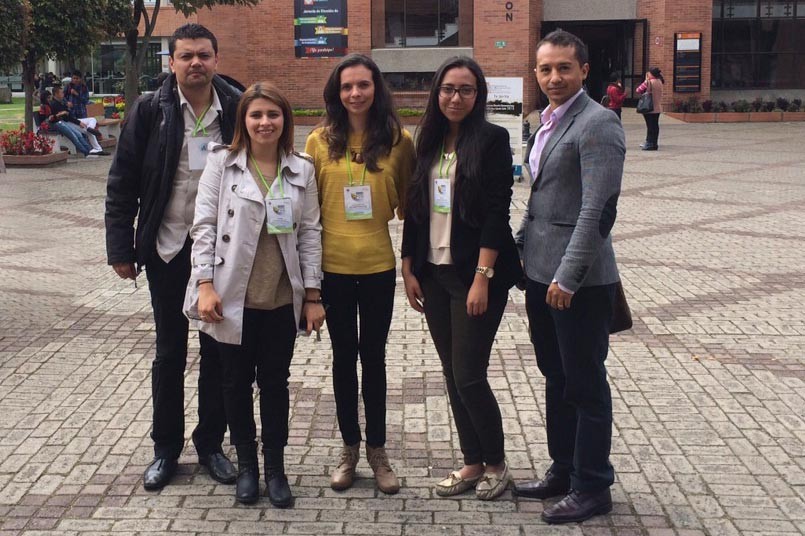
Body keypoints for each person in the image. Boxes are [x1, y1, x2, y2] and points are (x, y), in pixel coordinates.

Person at [105, 23, 241, 492]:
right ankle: (165, 448)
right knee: (169, 353)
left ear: (216, 59)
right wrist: (120, 248)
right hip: (167, 247)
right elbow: (122, 181)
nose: (195, 63)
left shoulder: (236, 107)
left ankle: (211, 445)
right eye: (186, 56)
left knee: (217, 352)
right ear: (172, 62)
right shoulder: (150, 110)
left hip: (220, 253)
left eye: (203, 54)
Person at [184, 82, 326, 506]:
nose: (265, 122)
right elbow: (204, 226)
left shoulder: (301, 169)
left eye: (273, 114)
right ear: (243, 120)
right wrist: (204, 285)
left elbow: (310, 232)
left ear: (285, 120)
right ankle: (247, 465)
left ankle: (276, 468)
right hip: (231, 297)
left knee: (276, 384)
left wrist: (313, 295)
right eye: (256, 115)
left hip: (281, 298)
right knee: (234, 383)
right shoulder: (222, 163)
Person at [513, 29, 625, 524]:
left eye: (564, 68)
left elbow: (597, 210)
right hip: (541, 276)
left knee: (584, 384)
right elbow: (541, 200)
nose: (554, 77)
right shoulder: (545, 121)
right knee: (556, 377)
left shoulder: (599, 123)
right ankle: (563, 469)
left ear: (584, 70)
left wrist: (568, 276)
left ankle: (593, 484)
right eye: (545, 69)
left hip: (577, 283)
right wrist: (521, 250)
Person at [401, 57, 522, 501]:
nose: (456, 97)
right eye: (449, 89)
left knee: (469, 374)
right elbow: (416, 205)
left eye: (466, 90)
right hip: (433, 274)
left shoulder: (492, 139)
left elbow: (497, 211)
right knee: (453, 373)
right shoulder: (429, 140)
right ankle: (472, 462)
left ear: (478, 95)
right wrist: (407, 265)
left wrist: (482, 277)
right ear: (437, 92)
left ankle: (496, 464)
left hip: (474, 274)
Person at [304, 53, 414, 495]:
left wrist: (412, 264)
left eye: (363, 85)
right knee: (343, 358)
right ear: (336, 92)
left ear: (376, 88)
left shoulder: (399, 141)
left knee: (374, 358)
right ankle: (349, 448)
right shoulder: (318, 141)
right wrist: (308, 286)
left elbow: (412, 209)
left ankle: (378, 451)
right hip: (332, 269)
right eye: (347, 86)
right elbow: (307, 215)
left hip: (377, 267)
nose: (355, 93)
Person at [39, 88, 98, 158]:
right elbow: (49, 119)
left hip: (60, 122)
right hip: (54, 124)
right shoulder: (46, 106)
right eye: (48, 97)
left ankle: (90, 150)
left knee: (78, 134)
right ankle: (86, 152)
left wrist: (64, 112)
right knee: (74, 136)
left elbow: (66, 114)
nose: (50, 99)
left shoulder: (54, 104)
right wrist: (60, 114)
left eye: (50, 97)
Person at [636, 67, 664, 150]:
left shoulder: (648, 82)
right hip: (657, 107)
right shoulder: (659, 81)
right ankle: (654, 143)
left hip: (649, 108)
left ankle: (649, 143)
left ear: (651, 74)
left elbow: (638, 90)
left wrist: (646, 79)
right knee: (655, 126)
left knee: (650, 126)